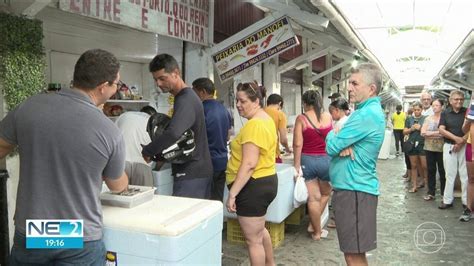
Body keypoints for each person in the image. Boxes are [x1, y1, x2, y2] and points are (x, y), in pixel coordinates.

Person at [0, 49, 129, 265]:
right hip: (79, 235)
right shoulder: (109, 130)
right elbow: (118, 186)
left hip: (36, 231)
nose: (117, 89)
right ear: (102, 87)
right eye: (117, 84)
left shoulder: (29, 107)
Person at [325, 63, 385, 266]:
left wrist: (336, 137)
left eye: (354, 83)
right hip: (352, 190)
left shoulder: (366, 115)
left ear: (371, 89)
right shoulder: (363, 112)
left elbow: (332, 147)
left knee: (353, 254)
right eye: (349, 83)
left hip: (355, 191)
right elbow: (334, 140)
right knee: (352, 252)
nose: (349, 87)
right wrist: (336, 137)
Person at [141, 54, 212, 199]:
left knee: (187, 219)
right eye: (155, 79)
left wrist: (149, 151)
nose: (158, 84)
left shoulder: (185, 99)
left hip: (192, 172)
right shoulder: (185, 97)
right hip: (194, 171)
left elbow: (173, 133)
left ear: (176, 73)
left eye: (162, 78)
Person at [226, 82, 277, 266]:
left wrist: (233, 194)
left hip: (252, 187)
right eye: (237, 101)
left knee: (252, 241)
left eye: (243, 101)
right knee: (259, 231)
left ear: (256, 101)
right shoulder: (266, 119)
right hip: (264, 181)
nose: (238, 105)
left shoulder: (254, 125)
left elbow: (249, 164)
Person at [293, 90, 333, 240]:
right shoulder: (328, 117)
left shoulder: (301, 119)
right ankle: (314, 226)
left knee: (313, 198)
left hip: (307, 161)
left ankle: (316, 231)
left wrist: (296, 166)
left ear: (304, 103)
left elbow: (297, 144)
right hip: (326, 160)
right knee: (325, 193)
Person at [192, 77, 231, 202]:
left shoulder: (200, 110)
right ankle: (219, 222)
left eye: (194, 92)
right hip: (222, 161)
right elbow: (228, 135)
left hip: (206, 163)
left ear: (202, 92)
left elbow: (194, 136)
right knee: (217, 199)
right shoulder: (224, 109)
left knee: (205, 201)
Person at [438, 90, 468, 210]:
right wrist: (456, 139)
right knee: (449, 174)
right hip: (449, 146)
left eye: (461, 99)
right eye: (456, 99)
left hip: (465, 146)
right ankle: (447, 200)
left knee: (464, 175)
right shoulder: (445, 113)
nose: (459, 101)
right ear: (450, 101)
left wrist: (461, 141)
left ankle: (466, 201)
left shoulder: (467, 112)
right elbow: (441, 129)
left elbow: (472, 128)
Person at [115, 106, 157, 186]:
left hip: (121, 162)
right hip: (142, 163)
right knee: (144, 195)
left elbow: (112, 136)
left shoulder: (124, 116)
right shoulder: (152, 122)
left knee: (119, 196)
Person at [420, 99, 445, 201]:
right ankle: (431, 192)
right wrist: (438, 133)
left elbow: (444, 133)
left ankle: (444, 193)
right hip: (429, 148)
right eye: (433, 105)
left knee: (442, 170)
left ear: (442, 107)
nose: (435, 107)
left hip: (442, 148)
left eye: (437, 105)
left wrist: (430, 133)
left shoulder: (444, 118)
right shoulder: (428, 118)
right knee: (431, 170)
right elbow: (423, 133)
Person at [403, 102, 427, 193]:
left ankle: (425, 182)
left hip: (422, 143)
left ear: (421, 110)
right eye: (415, 110)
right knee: (413, 165)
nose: (417, 111)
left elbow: (427, 131)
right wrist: (411, 129)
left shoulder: (425, 119)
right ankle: (414, 185)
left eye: (418, 110)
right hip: (412, 143)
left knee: (424, 165)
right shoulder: (409, 119)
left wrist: (420, 128)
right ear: (413, 110)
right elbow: (404, 132)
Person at [264, 93, 292, 163]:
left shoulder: (260, 112)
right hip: (273, 154)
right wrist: (287, 148)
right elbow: (283, 140)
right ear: (280, 103)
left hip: (258, 154)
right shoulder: (280, 115)